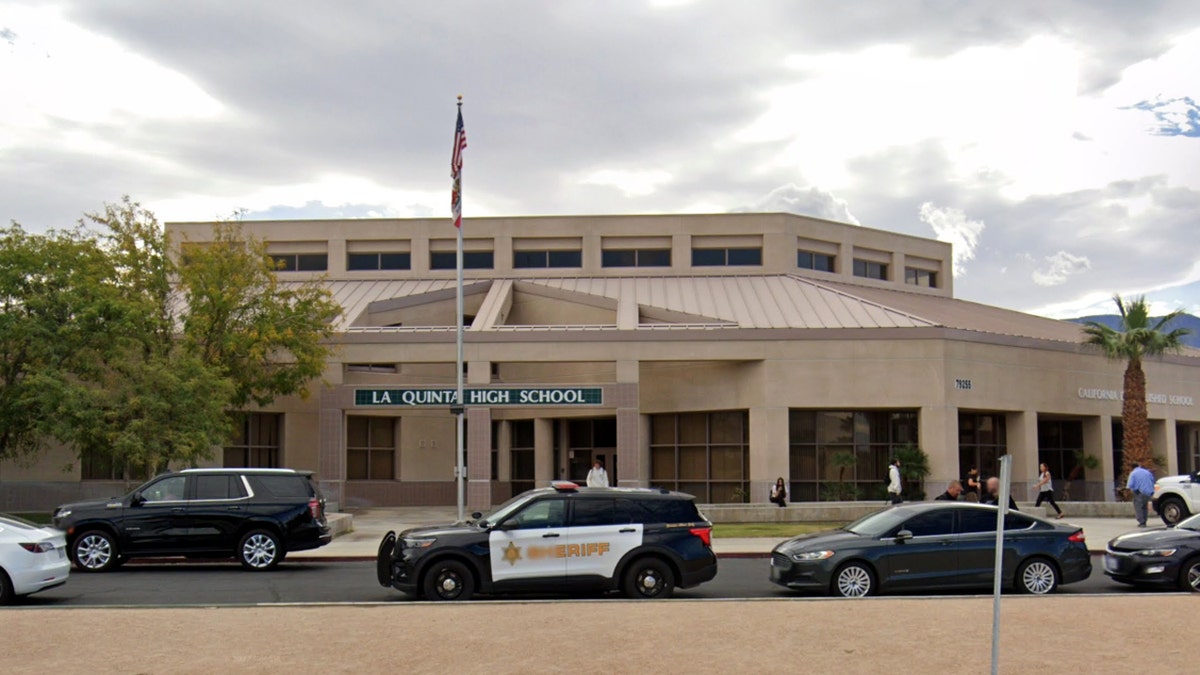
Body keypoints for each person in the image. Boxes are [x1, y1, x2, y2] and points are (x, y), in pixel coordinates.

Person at [1126, 462, 1155, 527]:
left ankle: (1141, 522)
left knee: (1138, 507)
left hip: (1139, 492)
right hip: (1148, 492)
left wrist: (1131, 491)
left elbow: (1130, 485)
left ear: (1132, 467)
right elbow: (1153, 480)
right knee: (1144, 507)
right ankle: (1145, 520)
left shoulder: (1133, 473)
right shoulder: (1147, 472)